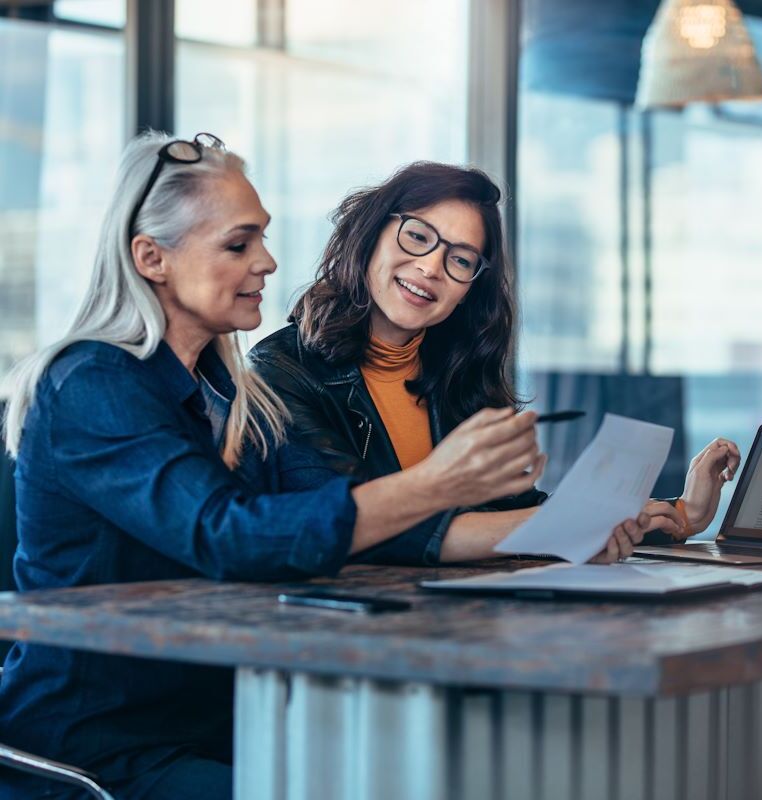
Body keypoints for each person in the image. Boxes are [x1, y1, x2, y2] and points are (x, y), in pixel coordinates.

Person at [0, 134, 584, 800]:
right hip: (101, 746)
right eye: (238, 245)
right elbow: (230, 535)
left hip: (217, 720)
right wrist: (436, 483)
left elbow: (351, 516)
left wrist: (570, 530)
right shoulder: (90, 384)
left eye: (263, 240)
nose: (268, 263)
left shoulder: (231, 393)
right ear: (151, 258)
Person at [249, 162, 741, 563]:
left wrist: (681, 513)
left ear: (470, 289)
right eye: (418, 236)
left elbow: (512, 513)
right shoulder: (279, 372)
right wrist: (573, 526)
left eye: (461, 260)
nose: (431, 267)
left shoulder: (455, 373)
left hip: (459, 624)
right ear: (371, 234)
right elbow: (360, 526)